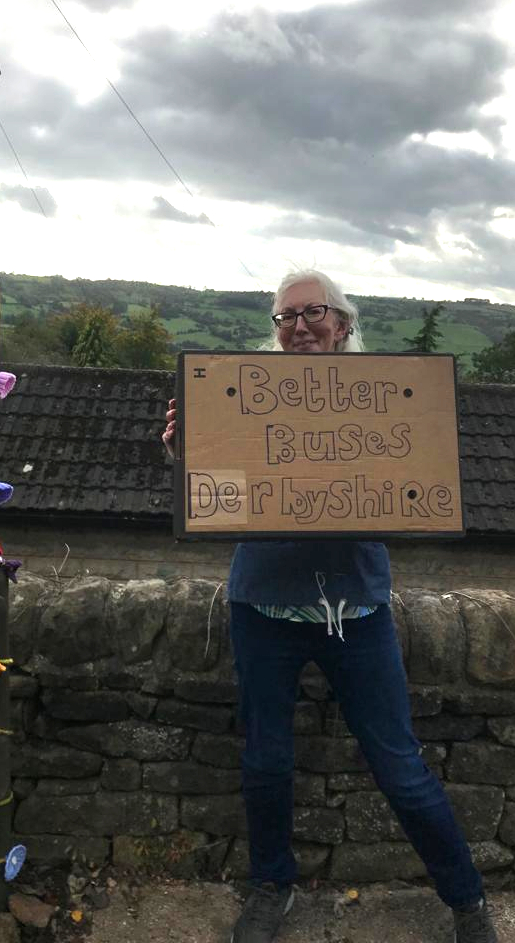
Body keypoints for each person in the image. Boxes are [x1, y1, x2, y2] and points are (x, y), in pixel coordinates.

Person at [162, 269, 497, 943]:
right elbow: (219, 489)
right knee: (266, 760)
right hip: (263, 607)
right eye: (286, 317)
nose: (299, 326)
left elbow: (413, 478)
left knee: (401, 768)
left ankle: (467, 900)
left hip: (357, 611)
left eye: (312, 312)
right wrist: (183, 454)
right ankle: (271, 885)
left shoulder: (382, 399)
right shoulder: (241, 397)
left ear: (342, 323)